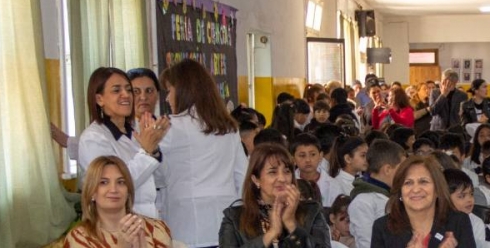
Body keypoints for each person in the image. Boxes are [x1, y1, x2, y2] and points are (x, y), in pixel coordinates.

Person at [158, 59, 248, 248]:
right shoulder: (228, 127)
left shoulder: (172, 128)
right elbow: (242, 175)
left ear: (184, 90)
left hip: (186, 223)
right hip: (226, 219)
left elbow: (157, 176)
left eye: (169, 91)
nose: (167, 98)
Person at [77, 68, 169, 219]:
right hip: (115, 224)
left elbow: (161, 180)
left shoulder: (136, 131)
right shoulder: (93, 138)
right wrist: (146, 151)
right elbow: (113, 186)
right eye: (116, 90)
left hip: (149, 221)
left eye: (128, 90)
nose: (126, 95)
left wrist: (154, 150)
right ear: (99, 99)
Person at [219, 143, 331, 248]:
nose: (282, 179)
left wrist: (291, 224)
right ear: (256, 179)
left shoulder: (311, 211)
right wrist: (272, 233)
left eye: (287, 171)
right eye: (273, 172)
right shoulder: (234, 217)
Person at [63, 155, 173, 248]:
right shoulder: (79, 238)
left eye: (121, 182)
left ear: (128, 191)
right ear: (92, 192)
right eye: (103, 182)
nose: (114, 189)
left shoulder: (157, 230)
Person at [370, 155, 476, 248]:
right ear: (400, 191)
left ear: (438, 190)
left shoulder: (458, 222)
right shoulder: (383, 227)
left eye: (423, 182)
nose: (415, 189)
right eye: (408, 183)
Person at [349, 140, 406, 248]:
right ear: (388, 169)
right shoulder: (362, 202)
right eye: (402, 169)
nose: (406, 173)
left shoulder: (396, 195)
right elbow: (367, 243)